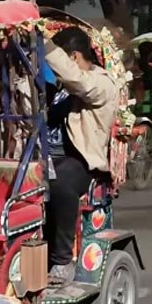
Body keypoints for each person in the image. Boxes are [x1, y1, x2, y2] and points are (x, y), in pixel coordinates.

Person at [42, 28, 120, 284]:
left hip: (83, 162)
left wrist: (45, 46)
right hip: (50, 156)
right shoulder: (62, 87)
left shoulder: (101, 83)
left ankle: (63, 260)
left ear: (73, 57)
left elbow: (80, 82)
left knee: (60, 180)